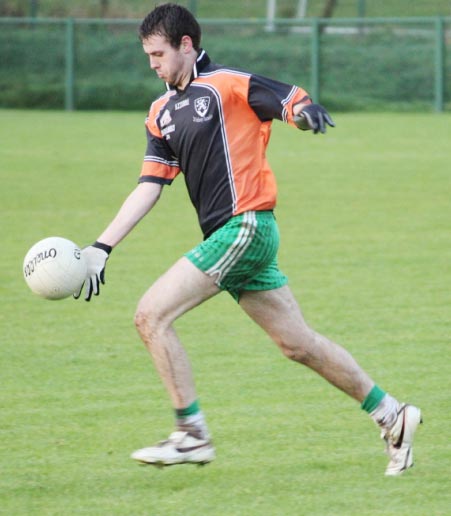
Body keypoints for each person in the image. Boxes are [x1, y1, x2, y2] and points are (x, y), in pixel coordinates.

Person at [74, 3, 421, 476]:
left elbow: (288, 101)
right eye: (147, 55)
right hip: (231, 237)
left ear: (186, 45)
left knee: (151, 315)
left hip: (247, 226)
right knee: (298, 345)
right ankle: (392, 415)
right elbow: (149, 186)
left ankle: (192, 434)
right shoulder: (160, 113)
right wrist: (101, 247)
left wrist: (304, 114)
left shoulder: (228, 85)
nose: (152, 63)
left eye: (159, 53)